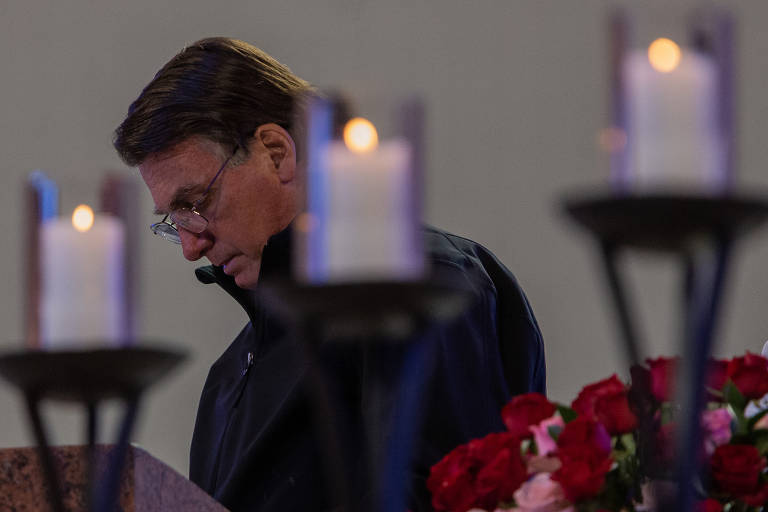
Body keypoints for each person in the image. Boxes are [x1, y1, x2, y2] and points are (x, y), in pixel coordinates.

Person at [113, 37, 545, 512]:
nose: (192, 247)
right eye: (175, 222)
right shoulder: (228, 377)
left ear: (277, 153)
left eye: (195, 204)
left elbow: (446, 494)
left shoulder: (424, 287)